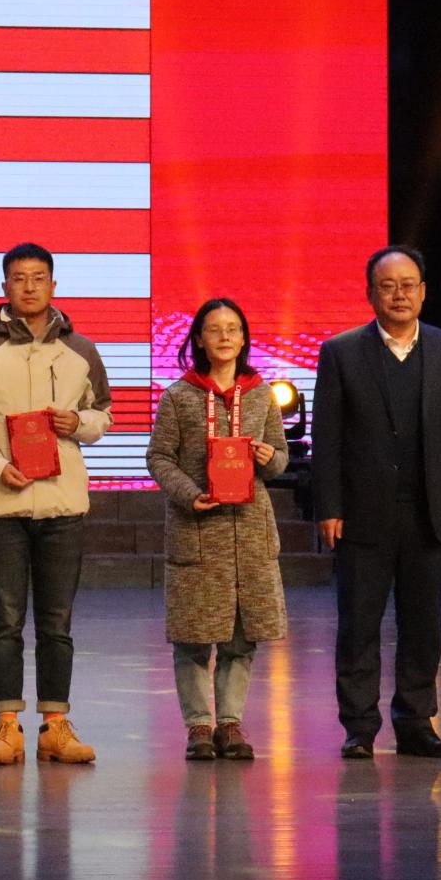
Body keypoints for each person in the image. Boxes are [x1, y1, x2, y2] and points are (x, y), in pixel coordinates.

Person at [0, 243, 113, 766]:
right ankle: (7, 725)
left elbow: (104, 415)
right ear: (5, 288)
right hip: (2, 505)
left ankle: (56, 726)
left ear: (53, 286)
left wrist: (79, 423)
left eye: (39, 277)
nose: (30, 286)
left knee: (57, 622)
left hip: (63, 505)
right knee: (6, 621)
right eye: (19, 278)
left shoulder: (81, 350)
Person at [315, 246, 441, 759]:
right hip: (361, 514)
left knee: (423, 625)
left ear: (423, 292)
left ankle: (415, 722)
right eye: (387, 286)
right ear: (371, 294)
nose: (399, 294)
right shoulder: (341, 352)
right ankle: (359, 728)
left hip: (431, 511)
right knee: (358, 625)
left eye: (408, 285)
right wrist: (328, 507)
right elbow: (328, 438)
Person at [146, 298, 289, 761]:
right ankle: (198, 726)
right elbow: (158, 457)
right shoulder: (178, 396)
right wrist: (189, 494)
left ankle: (230, 723)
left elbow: (281, 459)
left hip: (249, 532)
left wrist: (269, 457)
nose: (225, 336)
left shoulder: (262, 394)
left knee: (241, 637)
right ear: (199, 340)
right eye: (214, 329)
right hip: (197, 528)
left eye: (233, 328)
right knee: (193, 636)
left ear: (244, 338)